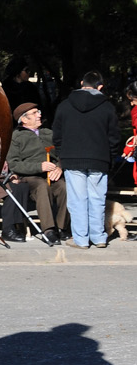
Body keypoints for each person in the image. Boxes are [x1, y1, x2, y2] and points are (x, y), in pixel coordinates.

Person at [52, 71, 120, 250]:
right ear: (100, 87)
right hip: (99, 159)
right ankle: (99, 237)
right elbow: (114, 137)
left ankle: (81, 239)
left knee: (77, 200)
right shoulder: (107, 107)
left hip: (72, 159)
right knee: (97, 199)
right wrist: (110, 158)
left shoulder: (65, 105)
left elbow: (57, 135)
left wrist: (62, 153)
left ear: (82, 83)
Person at [6, 102, 68, 244]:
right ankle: (49, 230)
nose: (39, 115)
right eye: (34, 113)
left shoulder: (49, 133)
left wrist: (59, 167)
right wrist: (39, 167)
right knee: (41, 186)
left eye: (38, 111)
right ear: (24, 119)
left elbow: (62, 155)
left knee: (64, 187)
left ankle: (62, 227)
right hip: (29, 178)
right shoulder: (16, 137)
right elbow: (14, 164)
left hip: (51, 175)